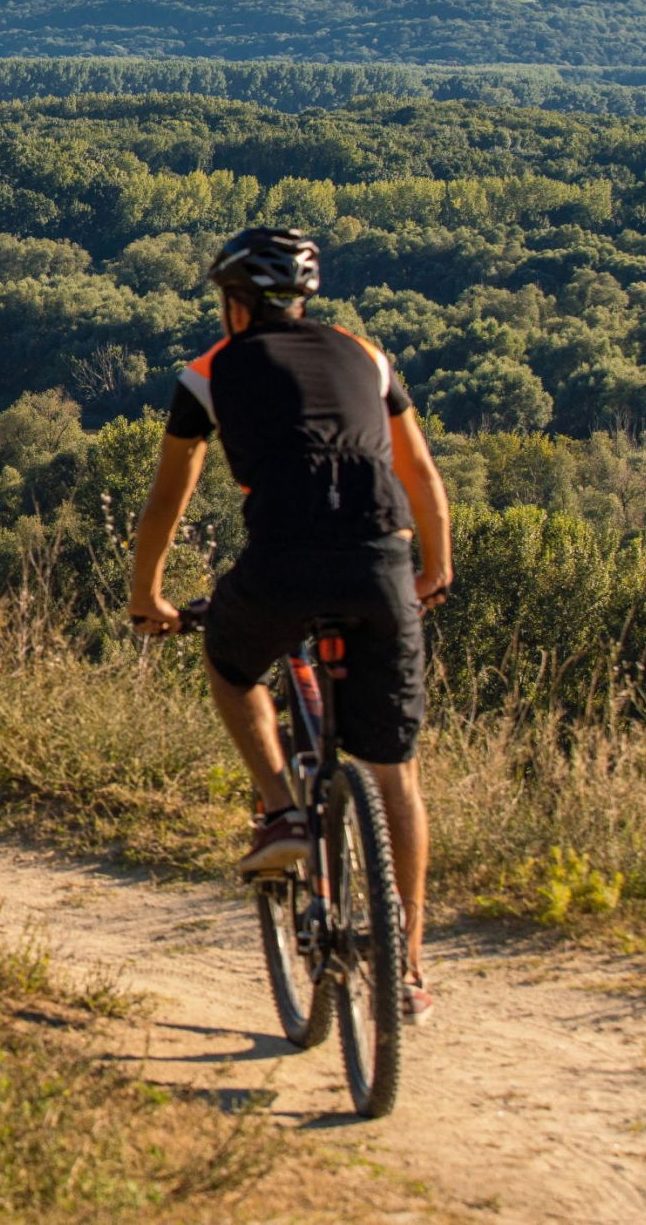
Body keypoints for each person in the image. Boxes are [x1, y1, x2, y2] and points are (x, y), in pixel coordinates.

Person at [127, 227, 451, 1025]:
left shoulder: (208, 372)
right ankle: (408, 965)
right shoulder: (366, 356)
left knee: (231, 662)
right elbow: (418, 471)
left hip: (281, 565)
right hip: (381, 563)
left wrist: (149, 597)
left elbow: (169, 496)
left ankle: (281, 811)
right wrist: (434, 568)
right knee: (396, 776)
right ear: (303, 300)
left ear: (236, 305)